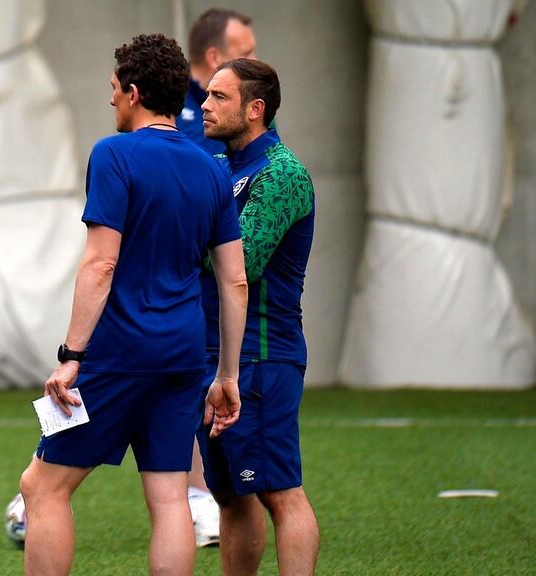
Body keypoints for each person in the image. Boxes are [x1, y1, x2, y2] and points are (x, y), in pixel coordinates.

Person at [17, 34, 248, 575]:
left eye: (114, 89)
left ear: (135, 92)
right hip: (185, 356)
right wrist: (226, 374)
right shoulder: (213, 168)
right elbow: (234, 281)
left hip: (119, 353)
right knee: (171, 500)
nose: (111, 99)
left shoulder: (113, 154)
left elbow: (101, 264)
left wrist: (71, 353)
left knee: (41, 488)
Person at [198, 58, 320, 575]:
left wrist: (169, 240)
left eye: (219, 97)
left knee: (279, 493)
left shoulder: (282, 173)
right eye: (207, 94)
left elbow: (238, 262)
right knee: (231, 497)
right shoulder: (223, 167)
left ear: (255, 109)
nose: (204, 104)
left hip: (262, 357)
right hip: (217, 357)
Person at [178, 6, 258, 548]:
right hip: (160, 285)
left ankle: (195, 496)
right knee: (81, 374)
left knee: (178, 389)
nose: (256, 59)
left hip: (188, 290)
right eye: (245, 50)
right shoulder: (188, 125)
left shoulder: (237, 134)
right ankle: (37, 479)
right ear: (215, 58)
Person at [177, 8, 257, 155]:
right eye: (246, 53)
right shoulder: (165, 105)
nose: (255, 60)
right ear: (214, 57)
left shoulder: (255, 103)